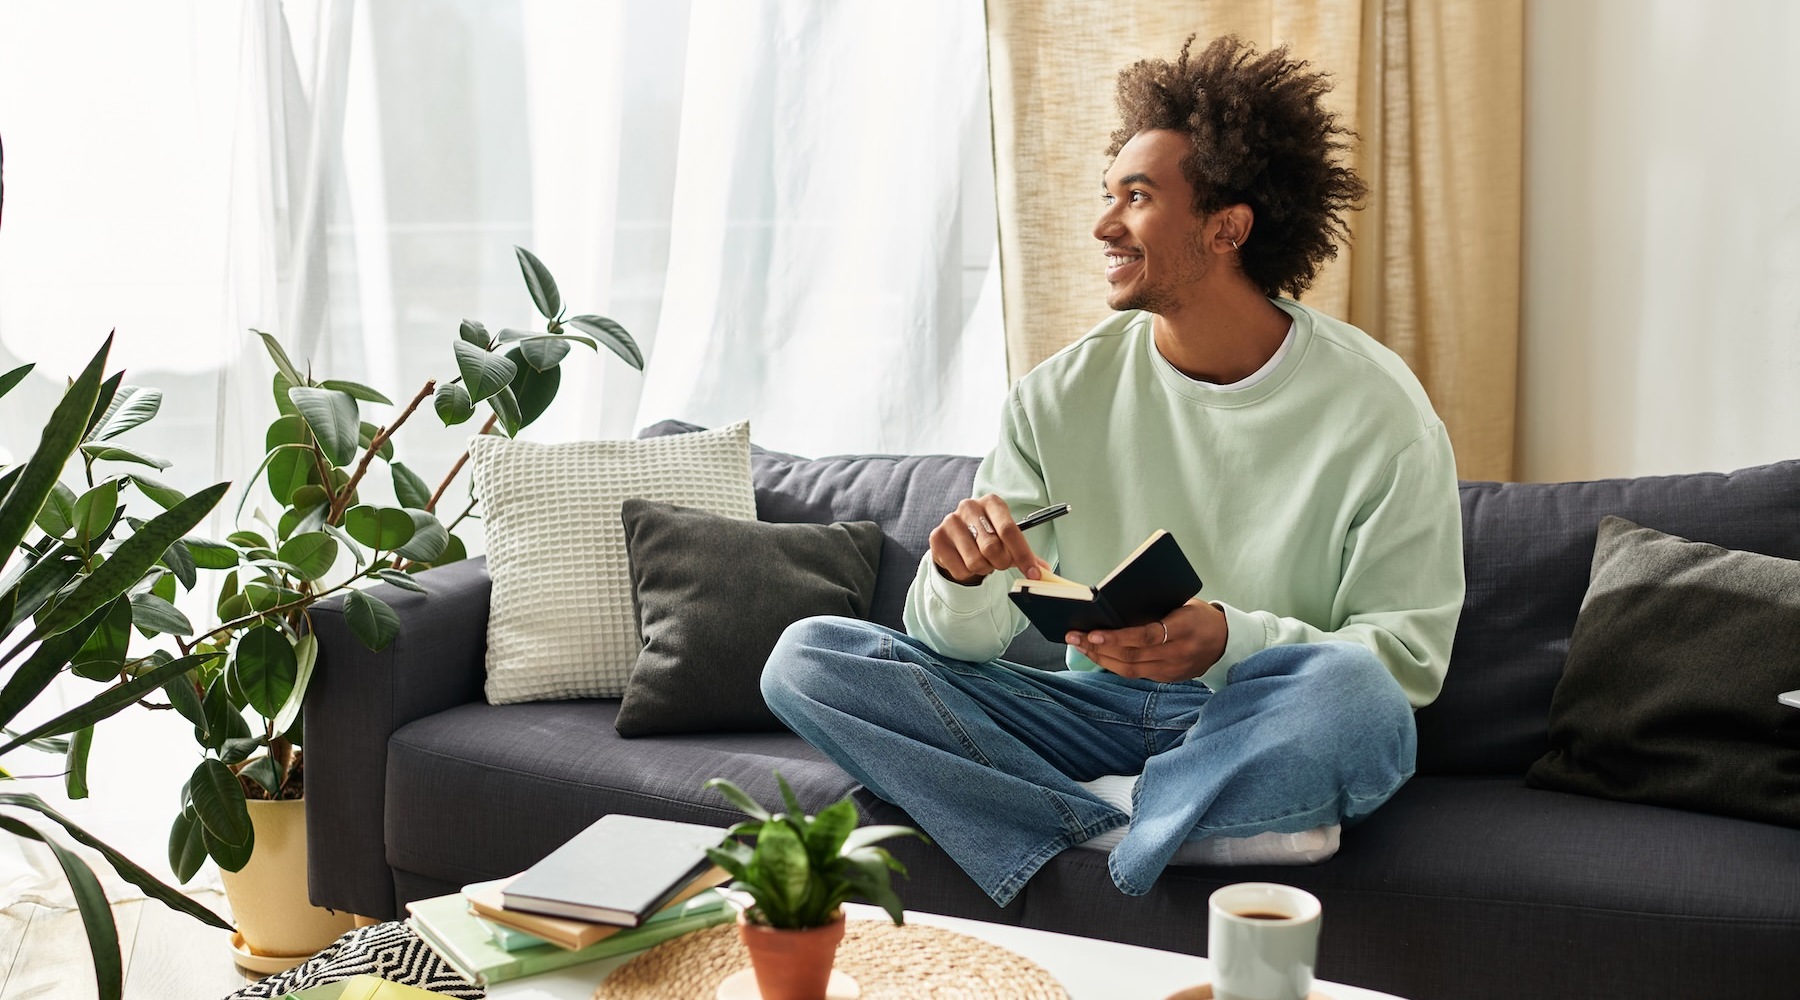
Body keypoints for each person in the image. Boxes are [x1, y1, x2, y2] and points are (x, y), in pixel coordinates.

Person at [760, 35, 1464, 907]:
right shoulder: (1057, 395)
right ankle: (1148, 823)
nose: (1103, 225)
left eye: (1137, 198)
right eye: (1109, 196)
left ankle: (1119, 811)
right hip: (1085, 715)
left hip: (1250, 715)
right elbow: (960, 646)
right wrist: (957, 574)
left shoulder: (1381, 412)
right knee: (808, 658)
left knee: (1359, 700)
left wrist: (1229, 639)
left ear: (1227, 227)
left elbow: (1406, 665)